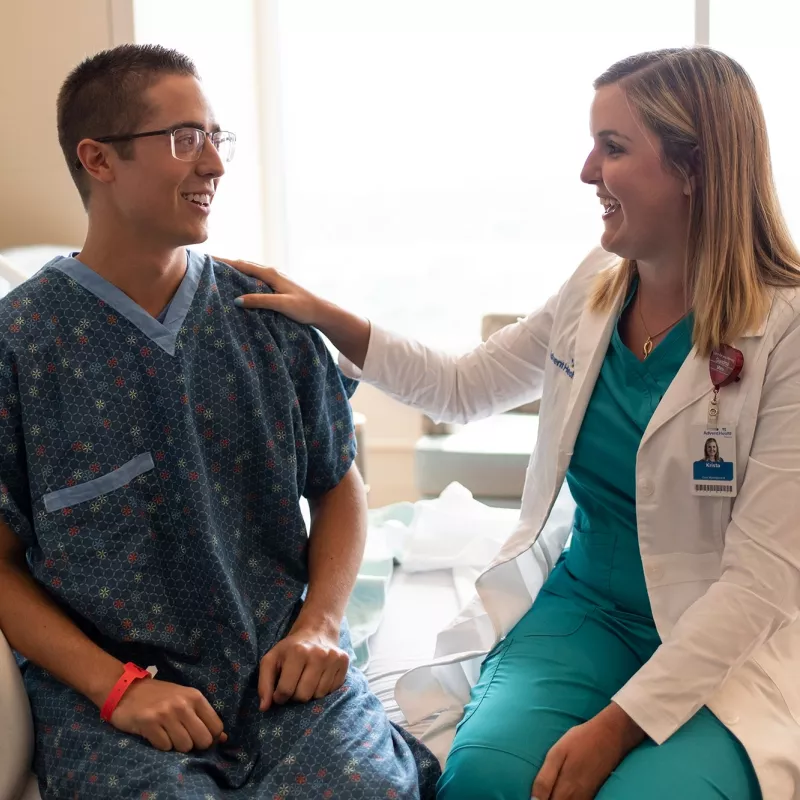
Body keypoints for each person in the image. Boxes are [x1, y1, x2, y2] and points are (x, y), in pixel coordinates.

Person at [225, 48, 800, 800]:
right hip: (589, 610)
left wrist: (614, 728)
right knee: (484, 781)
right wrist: (326, 317)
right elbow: (464, 387)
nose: (587, 171)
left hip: (727, 648)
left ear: (693, 168)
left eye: (613, 147)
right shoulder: (597, 284)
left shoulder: (786, 330)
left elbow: (759, 584)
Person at [0, 44, 439, 799]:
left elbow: (338, 484)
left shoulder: (267, 322)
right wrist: (117, 688)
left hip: (281, 675)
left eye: (215, 137)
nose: (214, 164)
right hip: (118, 702)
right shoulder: (21, 347)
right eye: (184, 139)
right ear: (98, 160)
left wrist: (319, 625)